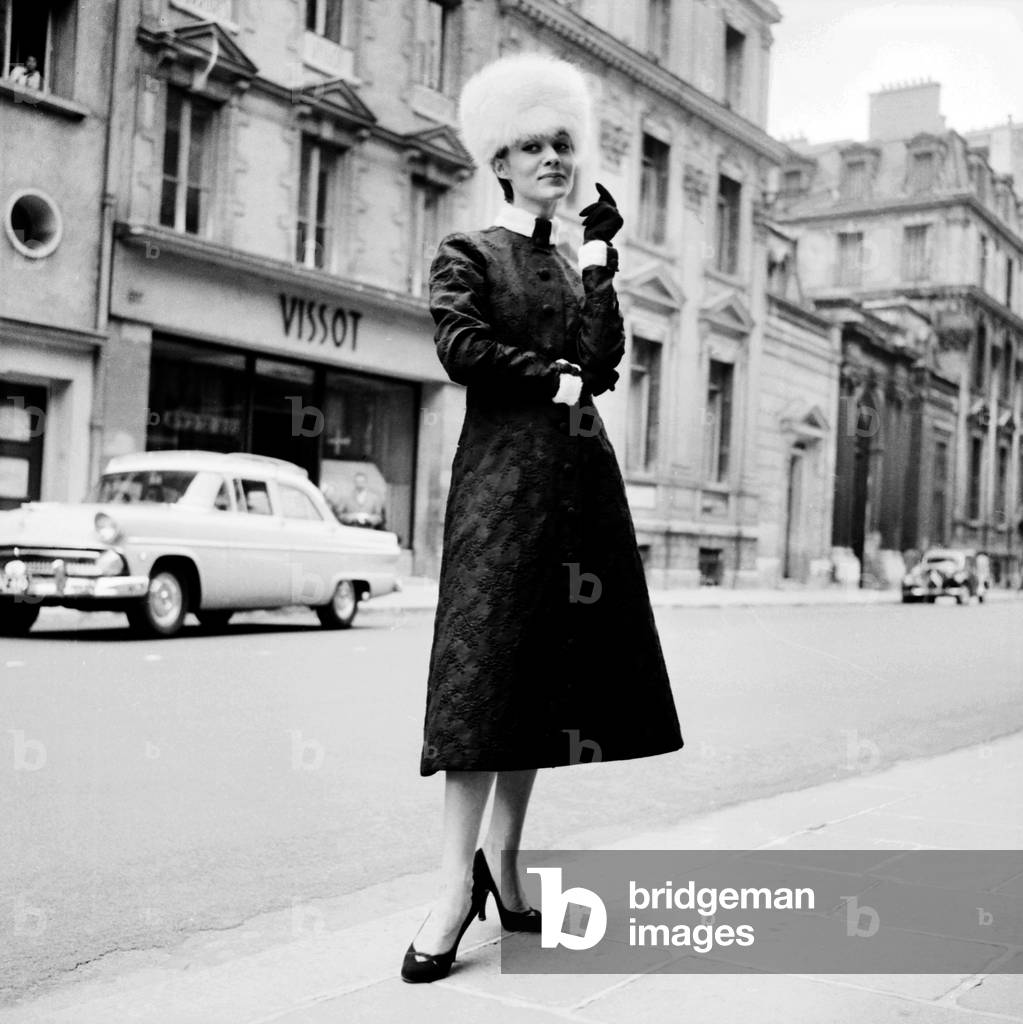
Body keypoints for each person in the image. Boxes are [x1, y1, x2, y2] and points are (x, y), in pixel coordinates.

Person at [401, 52, 684, 984]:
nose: (554, 158)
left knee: (543, 691)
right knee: (480, 686)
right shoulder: (467, 252)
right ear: (501, 162)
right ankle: (453, 887)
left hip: (576, 492)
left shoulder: (571, 260)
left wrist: (602, 268)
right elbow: (460, 345)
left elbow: (603, 364)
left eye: (564, 142)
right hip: (497, 494)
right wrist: (548, 373)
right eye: (533, 146)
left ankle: (508, 866)